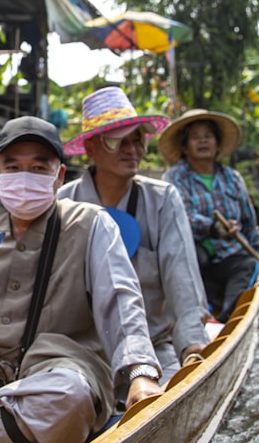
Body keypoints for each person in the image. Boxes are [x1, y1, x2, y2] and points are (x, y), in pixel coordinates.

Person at [0, 115, 163, 443]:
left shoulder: (90, 223)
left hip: (51, 372)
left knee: (69, 396)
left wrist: (139, 375)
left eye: (39, 167)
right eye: (13, 167)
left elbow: (121, 298)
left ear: (59, 176)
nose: (25, 178)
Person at [58, 87, 210, 384]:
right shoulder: (64, 203)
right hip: (81, 353)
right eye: (117, 141)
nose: (132, 150)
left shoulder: (163, 199)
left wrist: (192, 345)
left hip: (154, 345)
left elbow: (182, 276)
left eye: (138, 139)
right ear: (90, 148)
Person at [159, 108, 259, 322]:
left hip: (229, 256)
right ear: (184, 146)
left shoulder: (232, 178)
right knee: (193, 257)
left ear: (217, 143)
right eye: (195, 137)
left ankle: (224, 320)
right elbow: (181, 217)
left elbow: (249, 222)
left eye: (208, 136)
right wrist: (213, 229)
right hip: (195, 257)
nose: (203, 142)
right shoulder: (175, 177)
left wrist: (256, 254)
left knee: (248, 265)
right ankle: (198, 311)